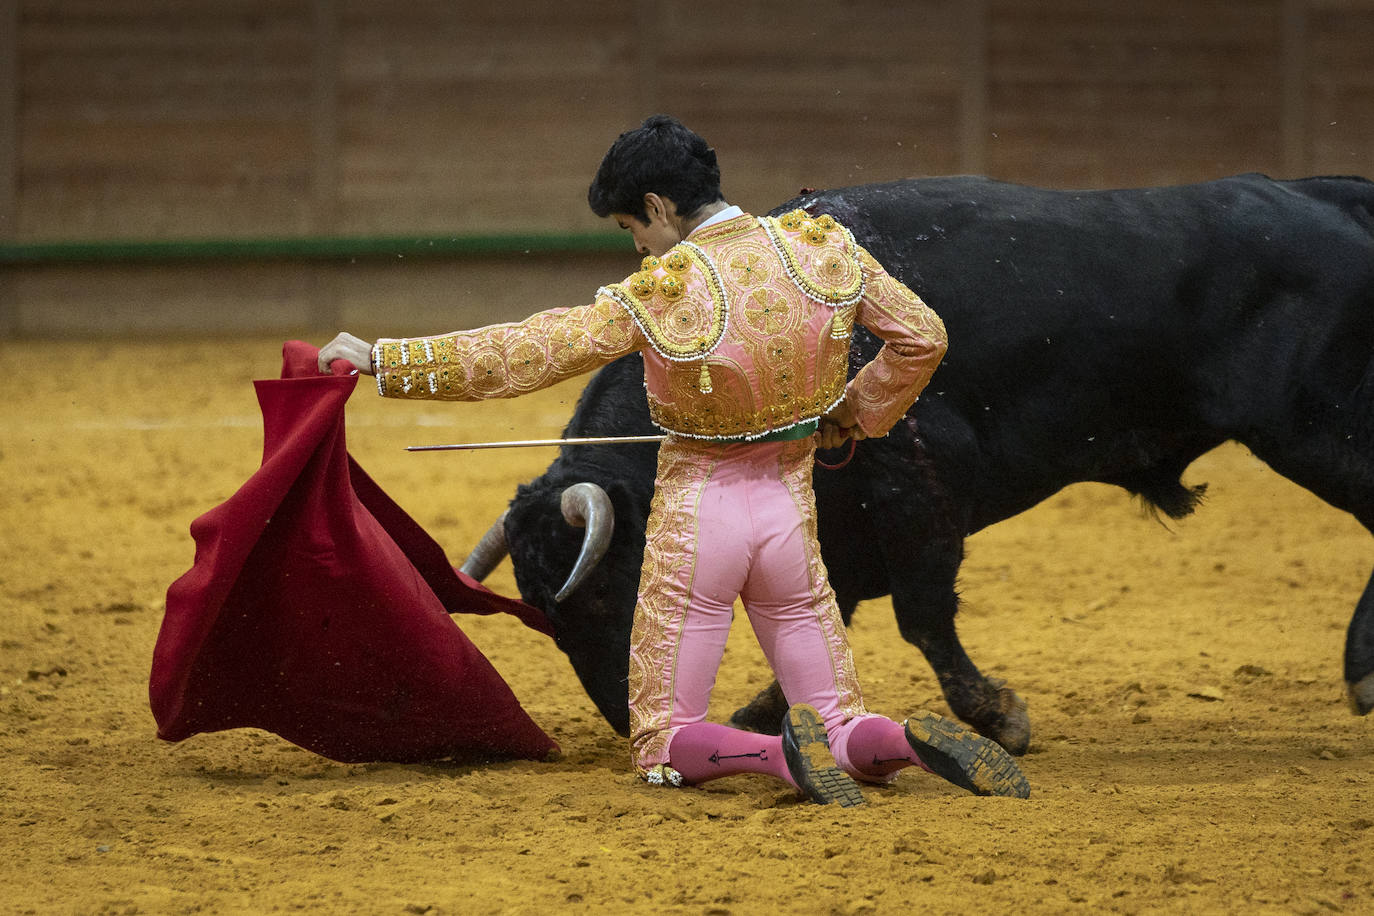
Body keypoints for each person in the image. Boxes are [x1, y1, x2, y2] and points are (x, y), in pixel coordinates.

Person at [318, 114, 1029, 805]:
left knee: (664, 742)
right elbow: (922, 336)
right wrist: (852, 411)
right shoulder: (821, 250)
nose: (638, 249)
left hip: (702, 522)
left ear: (658, 205)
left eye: (632, 229)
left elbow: (532, 351)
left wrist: (387, 360)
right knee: (837, 718)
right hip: (788, 518)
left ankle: (780, 756)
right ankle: (899, 742)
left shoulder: (668, 288)